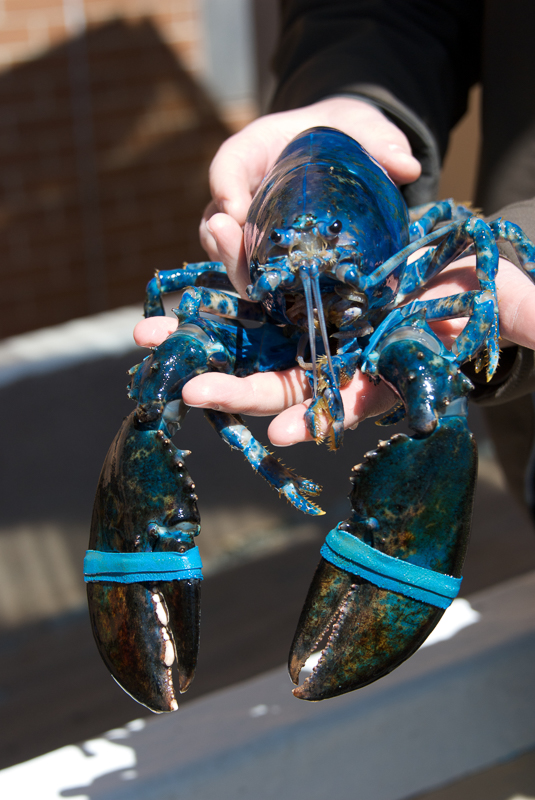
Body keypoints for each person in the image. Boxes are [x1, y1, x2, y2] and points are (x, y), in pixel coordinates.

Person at [136, 0, 535, 512]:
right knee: (173, 373)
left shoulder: (422, 258)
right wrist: (353, 88)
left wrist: (515, 259)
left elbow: (484, 236)